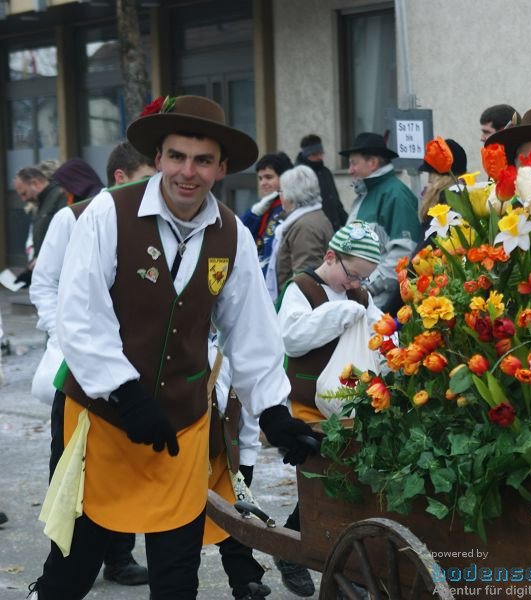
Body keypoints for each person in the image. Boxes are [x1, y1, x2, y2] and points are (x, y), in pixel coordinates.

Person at [30, 95, 321, 600]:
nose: (188, 172)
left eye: (203, 160)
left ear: (221, 167)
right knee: (73, 567)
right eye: (177, 157)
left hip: (182, 430)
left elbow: (251, 329)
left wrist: (273, 411)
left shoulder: (232, 234)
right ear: (159, 158)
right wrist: (125, 395)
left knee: (176, 575)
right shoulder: (107, 213)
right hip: (103, 421)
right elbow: (80, 315)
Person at [29, 142, 156, 587]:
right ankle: (63, 560)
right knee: (71, 465)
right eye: (147, 173)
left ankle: (118, 556)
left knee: (123, 461)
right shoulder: (74, 216)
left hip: (131, 371)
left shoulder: (152, 222)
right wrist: (67, 336)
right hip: (78, 370)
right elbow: (44, 285)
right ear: (122, 177)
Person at [275, 220, 384, 597]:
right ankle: (295, 546)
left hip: (351, 405)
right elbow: (291, 338)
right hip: (309, 408)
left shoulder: (359, 297)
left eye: (364, 280)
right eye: (353, 275)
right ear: (330, 257)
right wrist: (337, 316)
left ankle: (345, 552)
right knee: (326, 476)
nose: (356, 285)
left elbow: (381, 335)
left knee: (350, 476)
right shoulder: (301, 289)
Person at [205, 331, 271, 600]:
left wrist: (246, 460)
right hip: (183, 457)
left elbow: (246, 411)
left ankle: (247, 583)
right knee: (178, 529)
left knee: (236, 519)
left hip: (221, 455)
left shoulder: (232, 346)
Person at [341, 132, 421, 310]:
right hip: (362, 299)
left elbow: (402, 253)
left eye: (354, 163)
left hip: (377, 303)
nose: (350, 170)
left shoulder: (395, 195)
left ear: (373, 162)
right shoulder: (367, 193)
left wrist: (366, 288)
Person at [267, 164, 334, 300]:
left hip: (299, 306)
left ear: (291, 196)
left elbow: (305, 279)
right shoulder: (311, 217)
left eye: (281, 191)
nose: (280, 197)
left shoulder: (305, 227)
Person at [12, 166, 68, 286]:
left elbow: (63, 234)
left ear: (35, 183)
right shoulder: (41, 202)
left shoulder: (59, 195)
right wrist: (34, 261)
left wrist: (42, 259)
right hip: (48, 271)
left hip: (59, 274)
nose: (23, 199)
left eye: (24, 193)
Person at [240, 152, 294, 276]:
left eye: (269, 177)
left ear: (285, 178)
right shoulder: (264, 206)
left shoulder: (287, 208)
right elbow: (240, 234)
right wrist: (253, 214)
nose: (263, 183)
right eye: (260, 178)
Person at [295, 134, 348, 231]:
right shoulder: (299, 175)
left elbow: (336, 203)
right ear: (306, 155)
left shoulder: (326, 172)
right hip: (314, 231)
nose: (319, 157)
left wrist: (348, 224)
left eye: (321, 153)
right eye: (315, 154)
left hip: (333, 228)